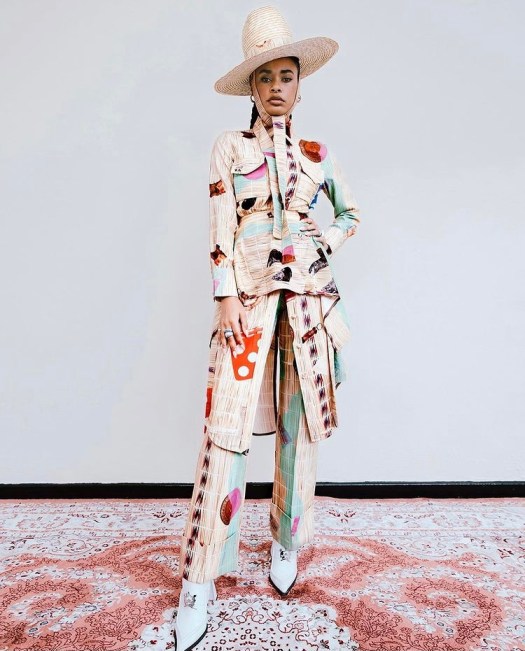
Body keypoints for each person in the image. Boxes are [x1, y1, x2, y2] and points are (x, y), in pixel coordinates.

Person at [174, 6, 361, 650]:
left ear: (300, 84)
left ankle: (287, 542)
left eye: (287, 75)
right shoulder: (230, 147)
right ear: (251, 88)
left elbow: (350, 214)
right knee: (226, 432)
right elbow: (220, 225)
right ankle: (200, 576)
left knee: (298, 429)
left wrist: (321, 245)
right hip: (248, 305)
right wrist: (224, 295)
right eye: (265, 77)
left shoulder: (318, 154)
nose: (278, 87)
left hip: (309, 307)